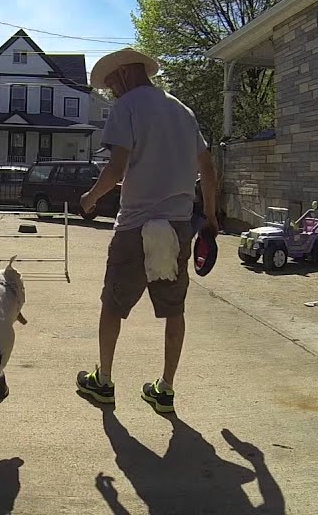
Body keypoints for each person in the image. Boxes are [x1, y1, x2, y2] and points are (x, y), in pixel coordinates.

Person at [76, 48, 219, 414]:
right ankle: (165, 390)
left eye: (110, 84)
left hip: (135, 227)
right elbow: (207, 168)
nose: (110, 93)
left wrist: (91, 198)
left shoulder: (128, 106)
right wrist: (212, 218)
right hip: (176, 228)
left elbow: (116, 169)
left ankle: (103, 383)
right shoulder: (183, 112)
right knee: (174, 310)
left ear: (124, 73)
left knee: (113, 305)